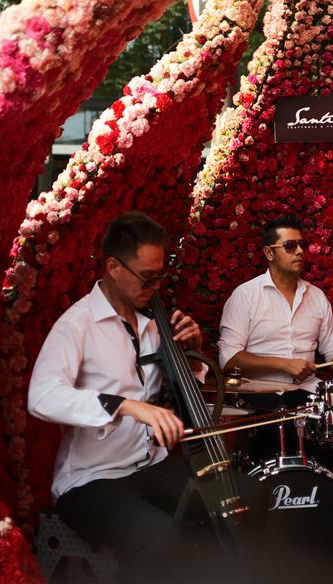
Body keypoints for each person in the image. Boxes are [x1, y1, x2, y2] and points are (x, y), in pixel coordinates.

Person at [28, 212, 260, 581]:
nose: (155, 286)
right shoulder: (78, 324)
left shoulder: (153, 326)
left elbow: (184, 395)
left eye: (160, 276)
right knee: (159, 538)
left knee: (242, 497)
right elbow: (42, 397)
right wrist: (125, 406)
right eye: (147, 277)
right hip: (92, 480)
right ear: (113, 267)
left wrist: (191, 355)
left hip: (150, 466)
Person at [218, 215, 333, 453]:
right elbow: (229, 361)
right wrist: (284, 365)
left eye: (303, 244)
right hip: (261, 397)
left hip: (309, 395)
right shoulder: (245, 296)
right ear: (269, 253)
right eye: (290, 246)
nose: (300, 251)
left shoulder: (317, 297)